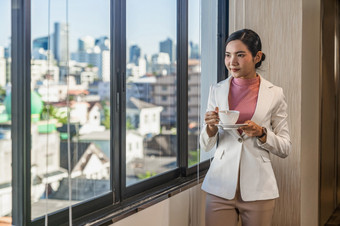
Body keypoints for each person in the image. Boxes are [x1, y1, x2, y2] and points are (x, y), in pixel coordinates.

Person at [200, 29, 292, 226]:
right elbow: (206, 146)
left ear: (257, 57)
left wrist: (262, 133)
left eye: (240, 55)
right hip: (219, 187)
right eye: (228, 55)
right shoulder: (216, 90)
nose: (232, 61)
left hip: (259, 189)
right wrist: (210, 128)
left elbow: (285, 147)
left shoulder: (275, 94)